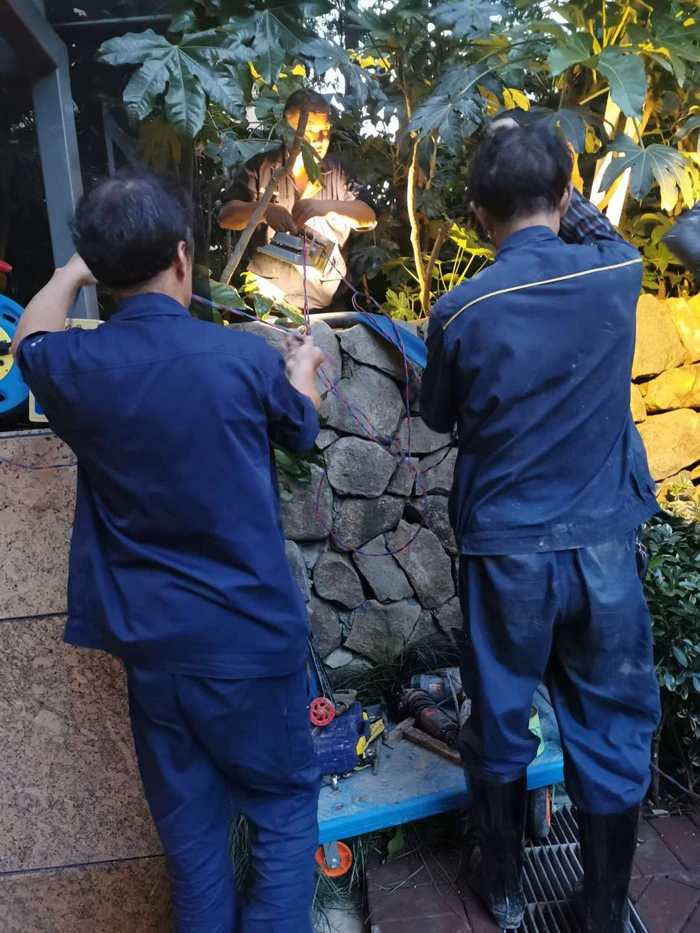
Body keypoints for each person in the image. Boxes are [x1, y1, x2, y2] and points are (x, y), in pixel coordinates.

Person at [12, 171, 325, 933]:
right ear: (184, 256)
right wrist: (303, 372)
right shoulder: (241, 360)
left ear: (102, 270)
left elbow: (27, 341)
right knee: (284, 811)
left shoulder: (77, 369)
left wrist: (74, 270)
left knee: (192, 844)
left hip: (154, 652)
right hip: (252, 645)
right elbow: (302, 428)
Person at [420, 121, 660, 932]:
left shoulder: (460, 310)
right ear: (565, 194)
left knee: (499, 714)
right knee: (613, 724)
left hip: (505, 555)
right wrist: (549, 173)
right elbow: (589, 223)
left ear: (477, 215)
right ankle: (603, 908)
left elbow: (439, 416)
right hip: (605, 551)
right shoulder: (618, 270)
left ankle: (506, 890)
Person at [219, 88, 376, 311]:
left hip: (327, 305)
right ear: (287, 131)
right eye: (310, 132)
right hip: (269, 305)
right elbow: (226, 217)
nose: (321, 140)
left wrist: (327, 207)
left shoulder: (337, 172)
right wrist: (264, 210)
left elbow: (368, 216)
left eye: (325, 130)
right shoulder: (262, 167)